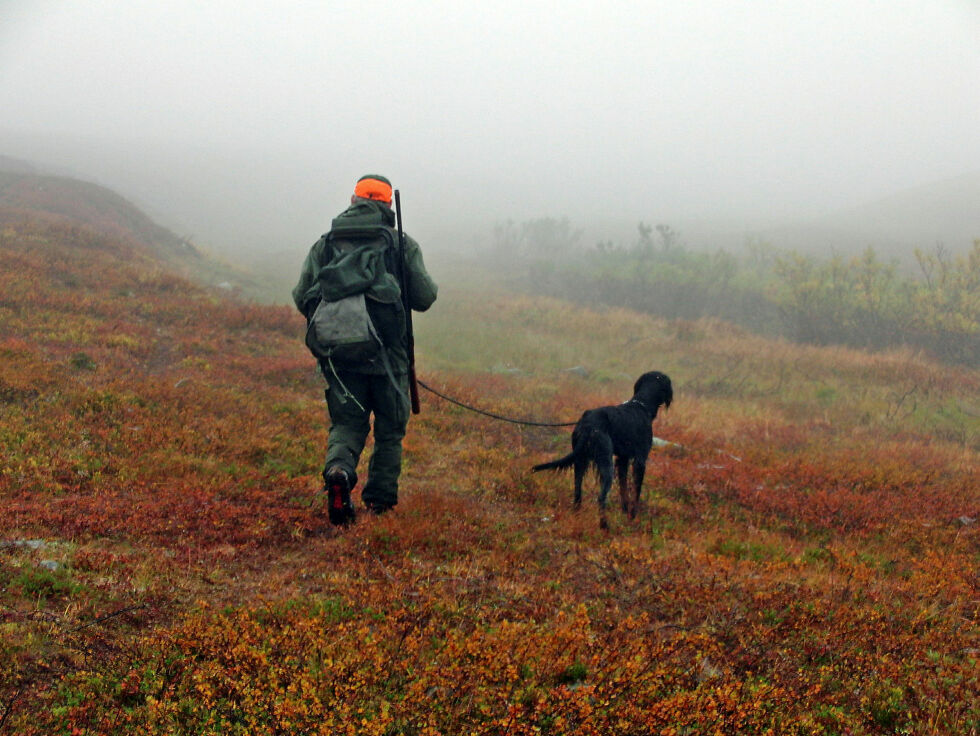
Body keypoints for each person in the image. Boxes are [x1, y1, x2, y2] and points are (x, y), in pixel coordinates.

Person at [292, 175, 437, 524]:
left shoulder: (326, 245)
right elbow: (425, 298)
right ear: (388, 206)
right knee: (389, 431)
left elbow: (302, 297)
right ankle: (380, 504)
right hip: (391, 359)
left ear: (353, 200)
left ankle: (340, 471)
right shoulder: (402, 245)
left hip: (340, 361)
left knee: (347, 424)